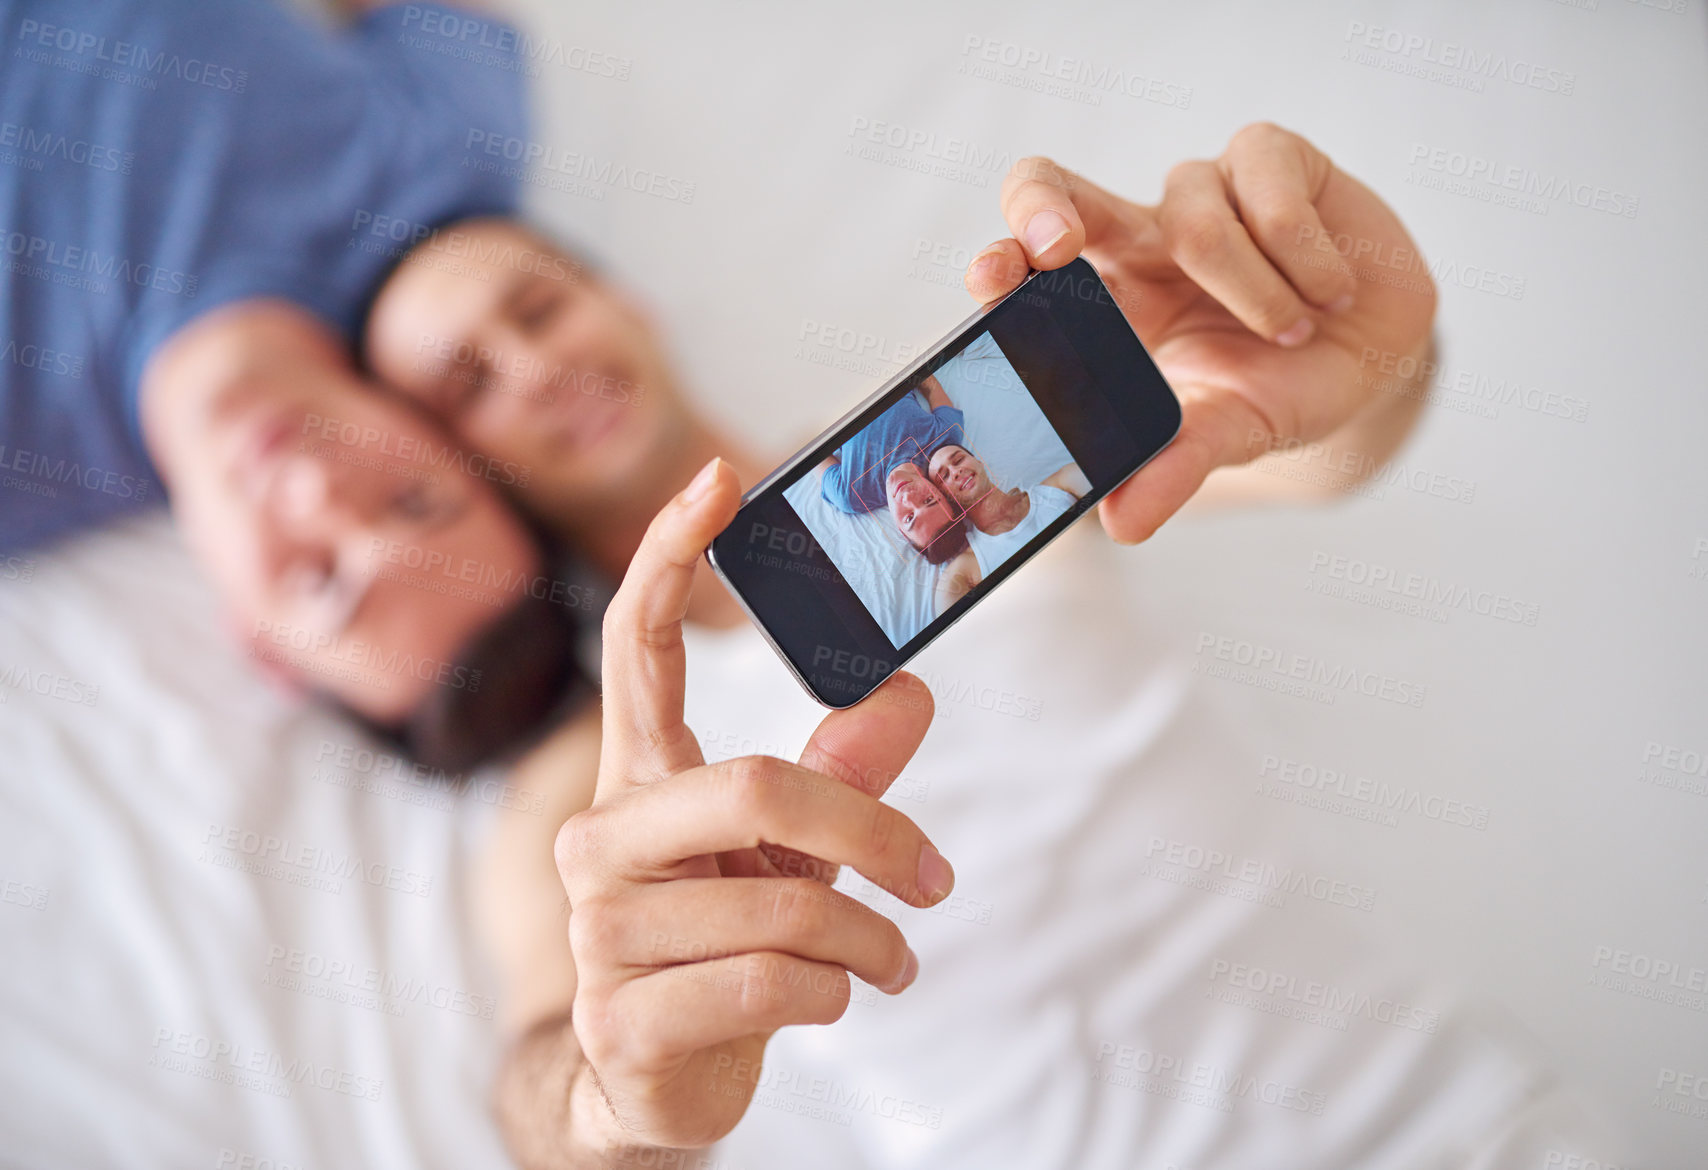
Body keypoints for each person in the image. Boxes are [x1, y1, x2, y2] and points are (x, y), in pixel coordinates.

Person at [363, 125, 1458, 1165]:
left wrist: (1364, 356)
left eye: (541, 310)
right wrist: (616, 1106)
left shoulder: (942, 424)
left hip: (1439, 1120)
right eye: (470, 386)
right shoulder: (574, 791)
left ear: (628, 305)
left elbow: (1304, 453)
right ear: (459, 478)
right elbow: (543, 1090)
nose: (533, 368)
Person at [0, 0, 589, 765]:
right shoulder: (439, 174)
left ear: (263, 647)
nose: (316, 488)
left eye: (320, 581)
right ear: (449, 439)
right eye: (414, 498)